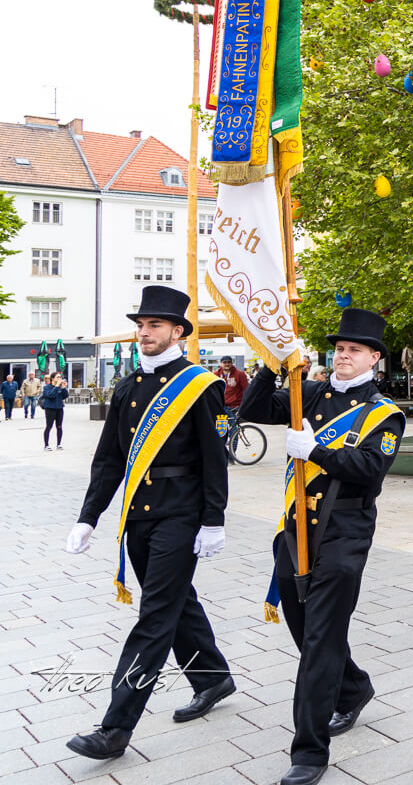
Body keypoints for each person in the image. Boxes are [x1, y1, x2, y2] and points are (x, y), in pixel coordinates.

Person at [61, 286, 232, 763]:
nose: (144, 332)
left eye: (154, 325)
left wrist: (214, 520)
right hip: (138, 516)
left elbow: (215, 458)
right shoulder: (128, 387)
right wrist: (88, 517)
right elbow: (109, 459)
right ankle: (213, 677)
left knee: (155, 616)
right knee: (176, 602)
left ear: (178, 332)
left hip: (181, 514)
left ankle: (115, 728)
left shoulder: (200, 386)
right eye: (140, 325)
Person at [240, 307, 406, 785]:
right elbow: (253, 410)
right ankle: (352, 688)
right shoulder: (309, 391)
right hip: (296, 529)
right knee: (305, 629)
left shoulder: (383, 412)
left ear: (374, 358)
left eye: (354, 350)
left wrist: (314, 451)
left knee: (320, 638)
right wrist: (272, 364)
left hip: (345, 531)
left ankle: (309, 750)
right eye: (339, 348)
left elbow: (370, 470)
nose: (343, 356)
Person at [42, 372, 69, 449]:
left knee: (59, 426)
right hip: (50, 408)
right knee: (49, 426)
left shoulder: (60, 387)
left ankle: (59, 444)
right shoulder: (46, 387)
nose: (59, 379)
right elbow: (50, 395)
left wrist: (63, 388)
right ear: (52, 378)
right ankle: (46, 445)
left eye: (60, 377)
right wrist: (57, 386)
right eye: (57, 377)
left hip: (59, 408)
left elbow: (65, 396)